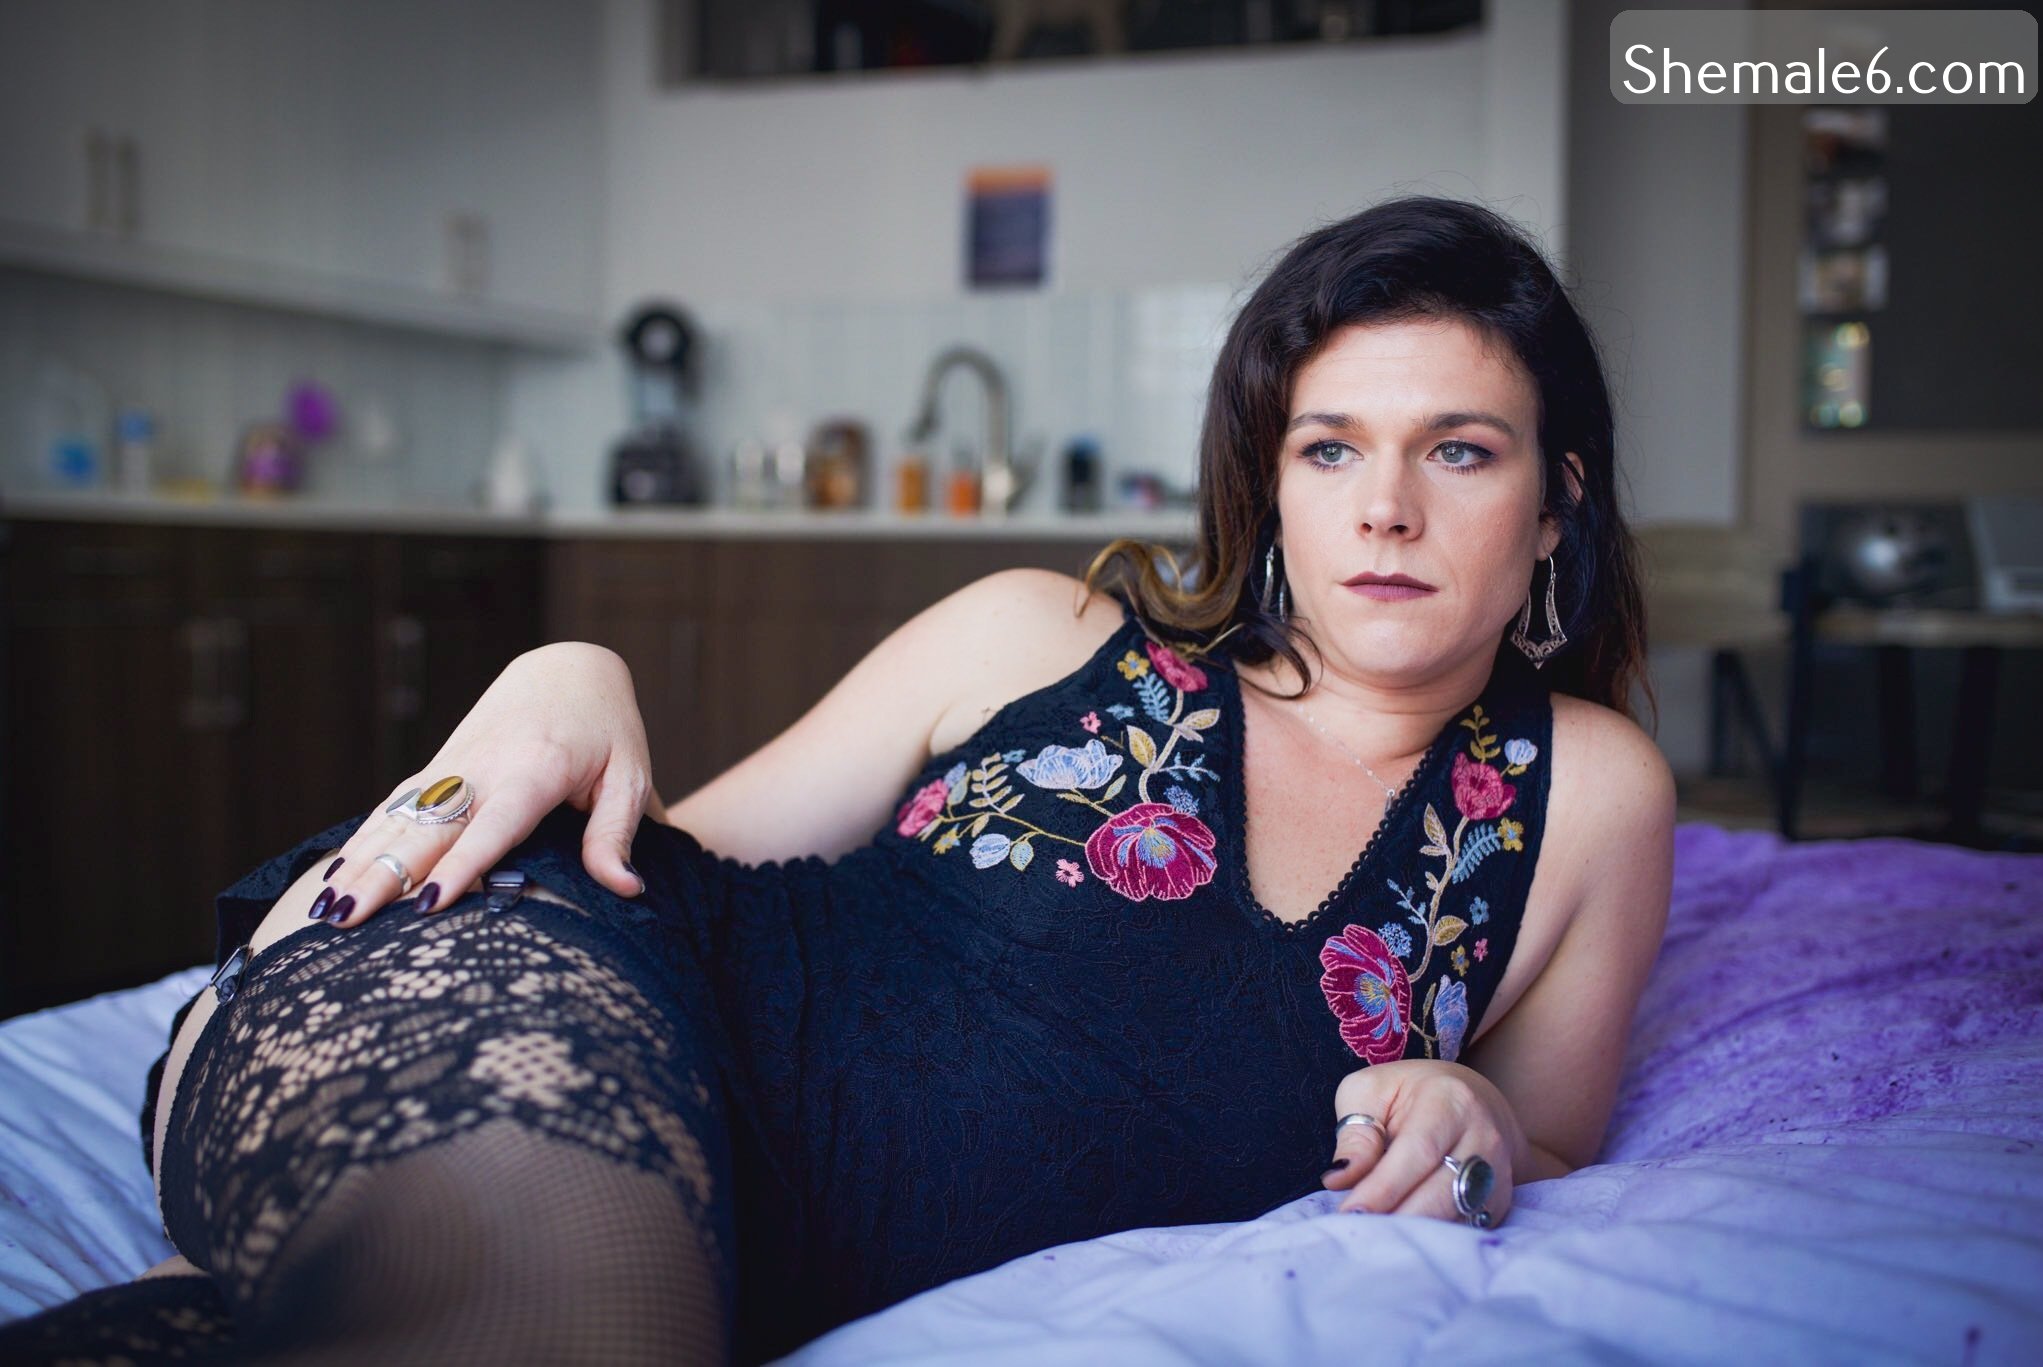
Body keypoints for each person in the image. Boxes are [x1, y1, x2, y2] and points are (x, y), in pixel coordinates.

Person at [0, 194, 1676, 1365]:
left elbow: (1544, 1138)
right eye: (1331, 447)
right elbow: (654, 857)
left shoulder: (1588, 795)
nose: (1385, 506)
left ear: (1557, 504)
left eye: (1460, 450)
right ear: (1277, 485)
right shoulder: (1038, 634)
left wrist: (1477, 1121)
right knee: (574, 1298)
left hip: (705, 1247)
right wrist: (565, 673)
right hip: (508, 991)